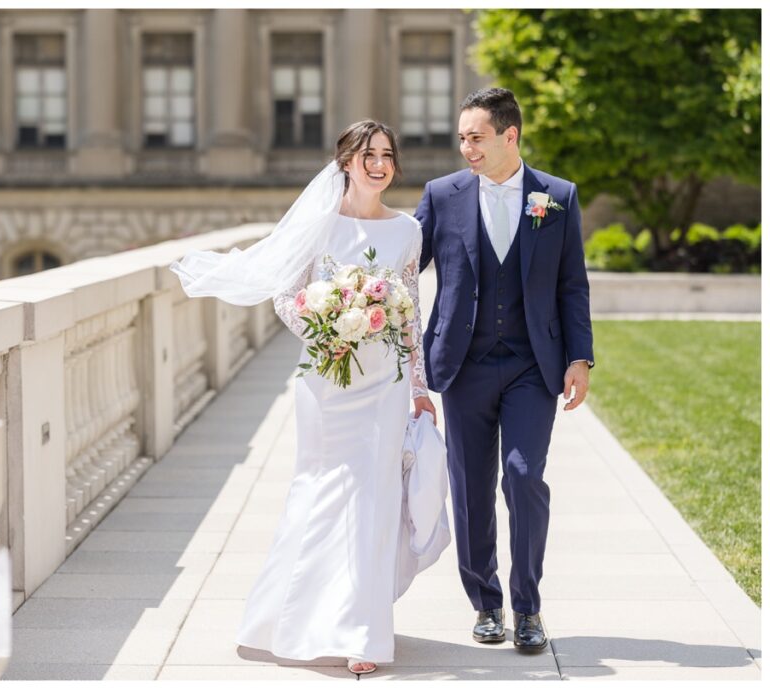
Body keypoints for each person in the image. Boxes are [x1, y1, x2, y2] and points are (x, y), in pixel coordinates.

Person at [170, 120, 437, 675]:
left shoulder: (407, 231)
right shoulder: (320, 227)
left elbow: (409, 311)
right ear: (345, 162)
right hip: (326, 380)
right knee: (316, 492)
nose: (380, 165)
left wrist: (419, 387)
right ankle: (285, 616)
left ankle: (362, 631)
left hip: (384, 385)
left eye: (387, 155)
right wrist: (331, 327)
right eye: (368, 156)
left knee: (375, 496)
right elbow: (286, 298)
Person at [414, 88, 594, 652]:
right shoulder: (441, 196)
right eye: (462, 137)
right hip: (463, 366)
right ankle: (486, 604)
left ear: (509, 136)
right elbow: (401, 264)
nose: (466, 147)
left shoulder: (556, 197)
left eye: (476, 137)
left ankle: (529, 606)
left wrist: (580, 358)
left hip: (530, 366)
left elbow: (572, 285)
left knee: (521, 476)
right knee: (469, 487)